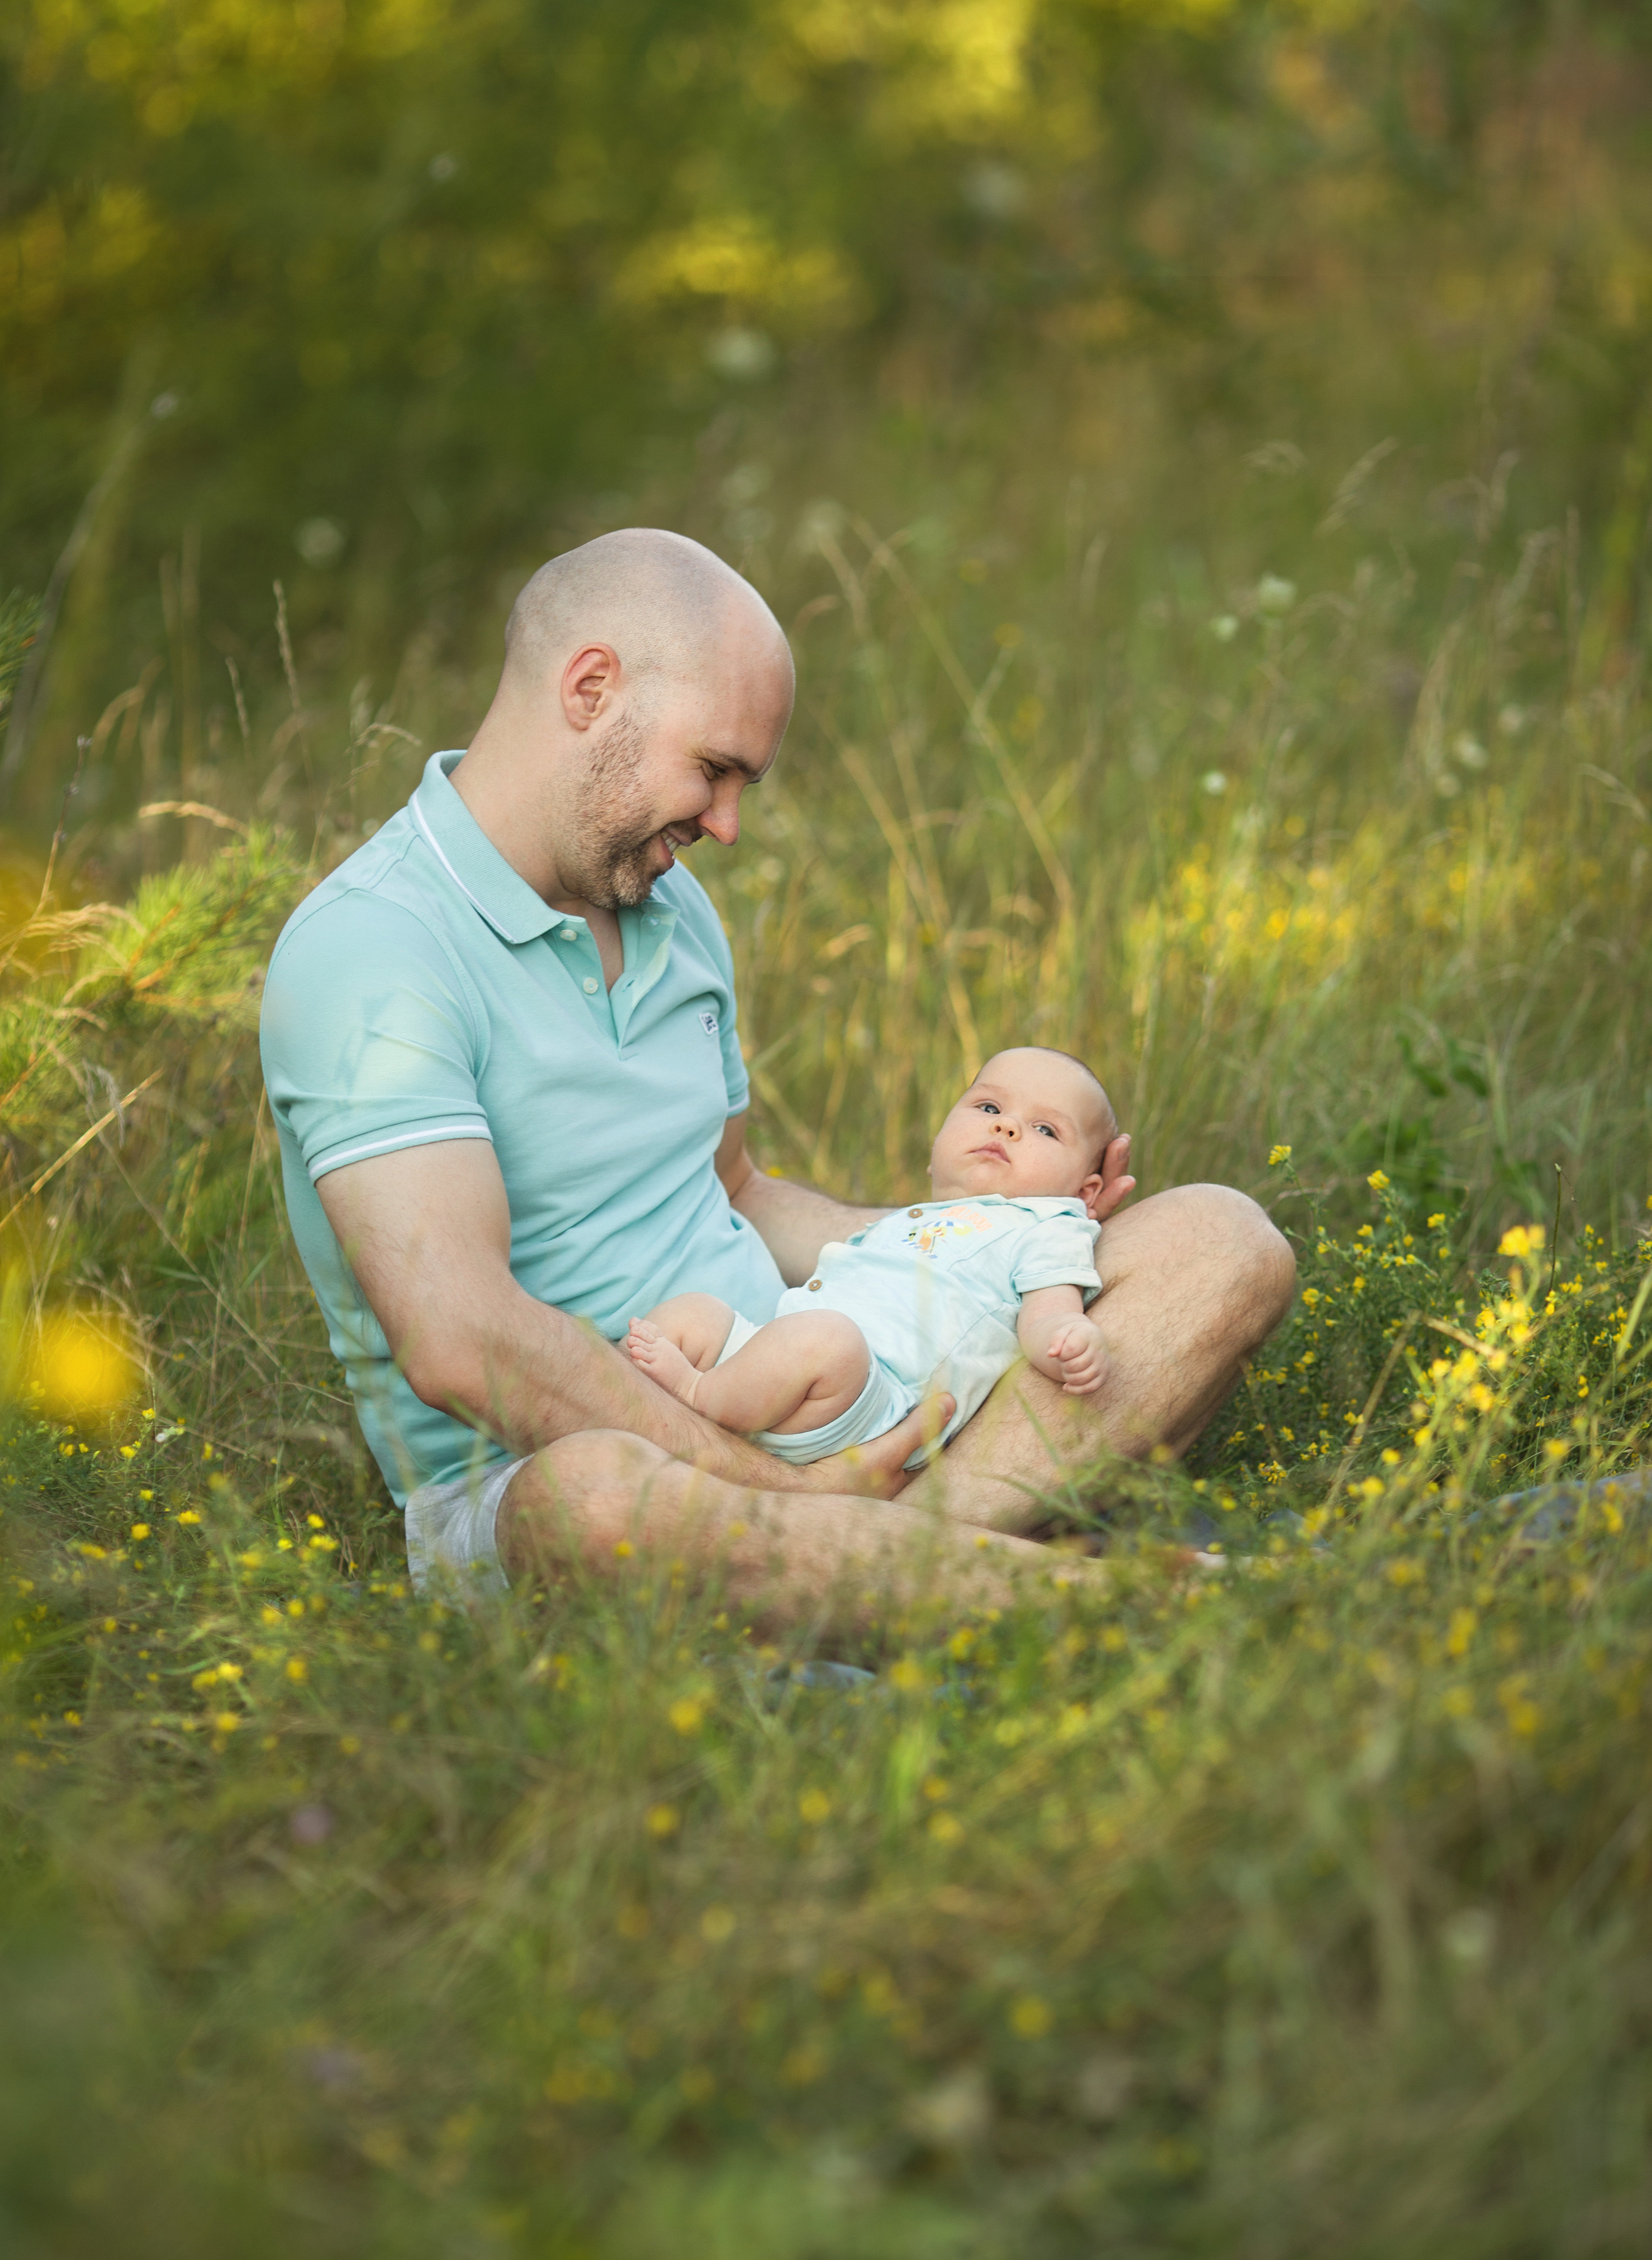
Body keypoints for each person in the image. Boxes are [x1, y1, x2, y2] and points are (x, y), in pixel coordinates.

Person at [259, 528, 1294, 1627]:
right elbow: (462, 1341)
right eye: (714, 770)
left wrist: (985, 1237)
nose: (728, 825)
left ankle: (898, 1571)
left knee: (1219, 1241)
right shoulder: (374, 949)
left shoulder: (668, 904)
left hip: (820, 1382)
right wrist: (778, 1490)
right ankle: (1153, 1612)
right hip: (570, 1466)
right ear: (591, 689)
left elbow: (738, 1191)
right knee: (595, 1501)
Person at [625, 1046, 1120, 1464]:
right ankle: (627, 1415)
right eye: (989, 1108)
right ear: (937, 1146)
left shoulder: (1046, 1224)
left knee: (827, 1337)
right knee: (694, 1314)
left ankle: (697, 1395)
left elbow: (1047, 1312)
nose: (1007, 1126)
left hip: (873, 1405)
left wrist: (1067, 1339)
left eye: (1046, 1130)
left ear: (1086, 1192)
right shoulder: (913, 1219)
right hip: (784, 1365)